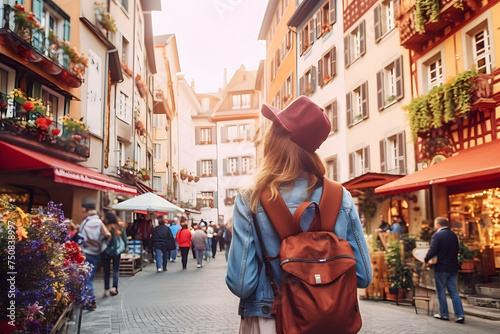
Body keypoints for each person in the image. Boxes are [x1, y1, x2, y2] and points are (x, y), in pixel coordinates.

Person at [225, 96, 372, 331]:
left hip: (269, 319)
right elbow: (363, 276)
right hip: (330, 324)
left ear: (276, 139)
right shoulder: (339, 196)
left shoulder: (251, 198)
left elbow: (241, 283)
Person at [425, 217, 465, 323]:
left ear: (438, 224)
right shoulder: (453, 235)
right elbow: (457, 250)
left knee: (441, 291)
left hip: (441, 267)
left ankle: (444, 314)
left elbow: (432, 250)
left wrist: (426, 260)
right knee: (454, 291)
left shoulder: (437, 235)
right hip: (453, 267)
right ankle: (460, 315)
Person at [80, 202, 111, 310]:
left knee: (86, 277)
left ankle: (89, 300)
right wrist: (101, 246)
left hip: (86, 252)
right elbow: (107, 235)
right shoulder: (100, 223)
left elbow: (81, 237)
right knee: (91, 276)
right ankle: (90, 299)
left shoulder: (85, 222)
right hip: (96, 252)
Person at [101, 211, 127, 296]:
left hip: (105, 251)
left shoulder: (104, 227)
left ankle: (106, 289)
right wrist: (124, 248)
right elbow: (124, 240)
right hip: (117, 251)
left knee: (106, 271)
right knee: (116, 269)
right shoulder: (120, 227)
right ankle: (114, 288)